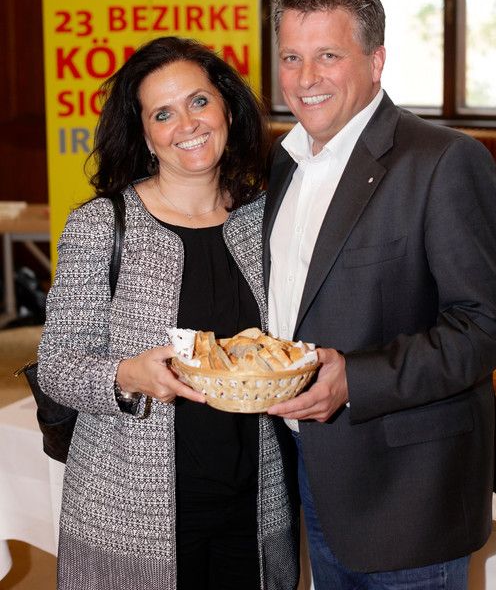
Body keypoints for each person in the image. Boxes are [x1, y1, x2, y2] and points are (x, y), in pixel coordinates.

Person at [264, 0, 496, 590]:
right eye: (291, 57)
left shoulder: (444, 160)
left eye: (328, 55)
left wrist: (356, 378)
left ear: (375, 61)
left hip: (410, 494)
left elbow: (488, 325)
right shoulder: (284, 162)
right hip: (312, 472)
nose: (306, 78)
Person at [38, 36, 300, 590]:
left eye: (199, 101)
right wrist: (127, 374)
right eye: (163, 113)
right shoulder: (102, 225)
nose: (188, 123)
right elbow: (58, 365)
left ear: (227, 108)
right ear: (145, 135)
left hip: (252, 504)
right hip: (129, 511)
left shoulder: (264, 219)